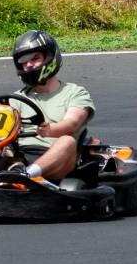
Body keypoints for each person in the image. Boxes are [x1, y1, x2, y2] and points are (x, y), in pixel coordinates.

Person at [7, 29, 93, 182]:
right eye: (24, 62)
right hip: (19, 156)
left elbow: (72, 123)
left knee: (67, 141)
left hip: (56, 159)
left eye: (34, 58)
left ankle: (26, 175)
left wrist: (50, 130)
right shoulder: (17, 98)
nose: (29, 65)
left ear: (50, 57)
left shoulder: (75, 93)